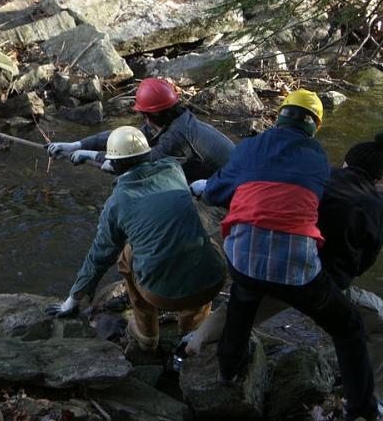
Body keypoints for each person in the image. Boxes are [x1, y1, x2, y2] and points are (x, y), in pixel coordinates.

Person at [190, 89, 379, 421]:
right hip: (299, 267)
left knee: (244, 297)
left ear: (279, 115)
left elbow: (217, 193)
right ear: (315, 126)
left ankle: (226, 369)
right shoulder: (319, 159)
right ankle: (362, 409)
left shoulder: (249, 147)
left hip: (242, 256)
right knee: (347, 326)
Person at [46, 126, 226, 351]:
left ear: (114, 164)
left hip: (162, 295)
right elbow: (147, 166)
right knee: (205, 242)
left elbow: (99, 256)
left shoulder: (117, 203)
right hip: (212, 282)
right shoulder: (174, 169)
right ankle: (191, 324)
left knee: (126, 254)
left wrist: (74, 299)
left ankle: (146, 333)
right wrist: (100, 159)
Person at [46, 78, 235, 181]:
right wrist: (75, 145)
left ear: (149, 114)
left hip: (233, 187)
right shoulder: (174, 120)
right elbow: (123, 139)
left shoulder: (177, 137)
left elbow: (140, 164)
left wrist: (90, 155)